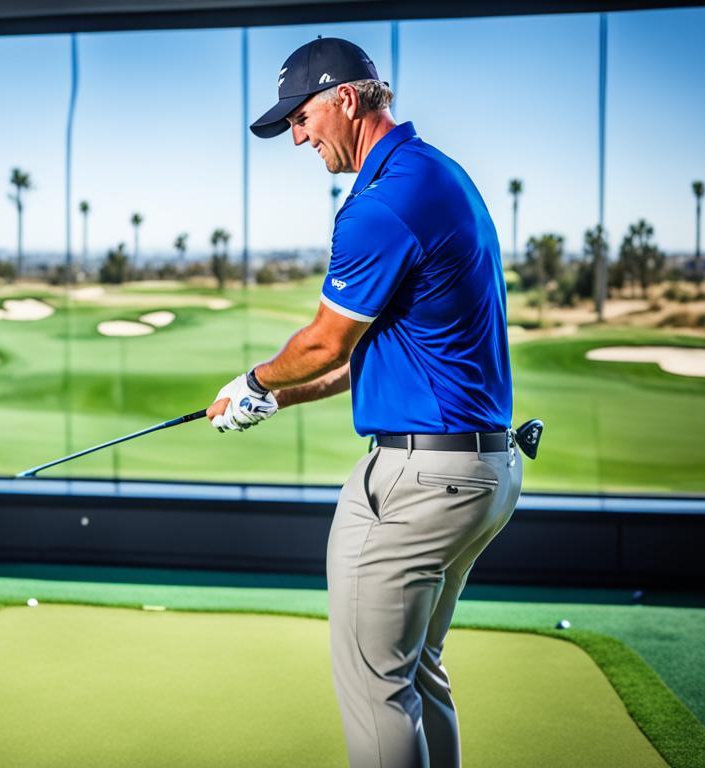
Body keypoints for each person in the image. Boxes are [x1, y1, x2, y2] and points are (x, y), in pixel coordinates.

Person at [208, 37, 522, 768]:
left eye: (301, 116)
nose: (296, 136)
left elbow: (323, 342)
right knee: (416, 672)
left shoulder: (383, 203)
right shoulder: (439, 174)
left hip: (421, 482)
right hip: (483, 471)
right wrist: (277, 402)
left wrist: (256, 380)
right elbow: (379, 354)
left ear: (345, 98)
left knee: (377, 684)